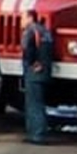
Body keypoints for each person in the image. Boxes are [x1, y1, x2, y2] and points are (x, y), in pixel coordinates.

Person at [21, 9, 54, 144]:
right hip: (45, 70)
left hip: (34, 73)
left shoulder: (30, 31)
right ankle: (36, 132)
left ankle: (37, 134)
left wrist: (32, 63)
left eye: (23, 18)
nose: (21, 22)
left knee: (34, 104)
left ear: (30, 18)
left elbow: (27, 50)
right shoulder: (45, 31)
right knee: (39, 103)